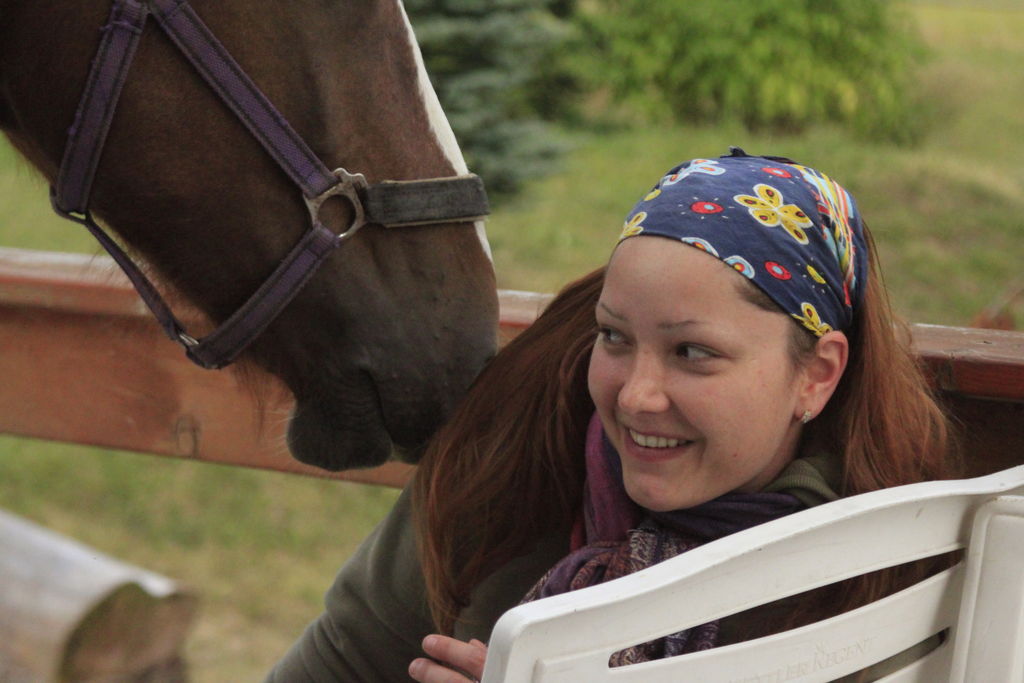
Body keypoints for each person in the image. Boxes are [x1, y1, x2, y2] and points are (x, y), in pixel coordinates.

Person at [266, 149, 958, 682]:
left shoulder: (880, 566)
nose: (634, 396)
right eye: (614, 337)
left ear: (817, 373)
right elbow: (341, 663)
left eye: (693, 352)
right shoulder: (510, 460)